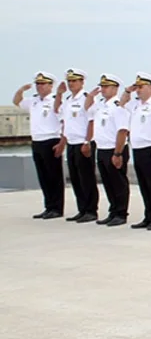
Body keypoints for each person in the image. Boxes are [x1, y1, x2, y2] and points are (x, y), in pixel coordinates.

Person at [122, 73, 151, 230]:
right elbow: (121, 104)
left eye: (141, 87)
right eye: (137, 87)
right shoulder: (135, 105)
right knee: (143, 185)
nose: (139, 90)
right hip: (137, 149)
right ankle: (148, 216)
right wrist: (128, 91)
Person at [13, 71, 64, 219]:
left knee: (54, 176)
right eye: (38, 84)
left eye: (43, 84)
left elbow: (64, 121)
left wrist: (62, 142)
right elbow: (17, 101)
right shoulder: (34, 101)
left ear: (50, 85)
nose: (39, 87)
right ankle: (48, 206)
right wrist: (21, 91)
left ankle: (57, 208)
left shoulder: (55, 101)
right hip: (37, 141)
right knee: (43, 176)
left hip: (51, 140)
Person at [87, 74, 131, 226]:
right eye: (102, 86)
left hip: (115, 149)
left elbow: (122, 131)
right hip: (102, 148)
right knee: (108, 182)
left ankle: (121, 213)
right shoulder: (101, 105)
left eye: (106, 87)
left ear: (115, 88)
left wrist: (117, 153)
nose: (103, 89)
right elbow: (87, 110)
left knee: (118, 183)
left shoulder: (118, 107)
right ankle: (113, 211)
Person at [56, 68, 99, 223]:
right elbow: (58, 112)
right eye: (69, 81)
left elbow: (91, 121)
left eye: (75, 81)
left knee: (86, 177)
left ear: (82, 82)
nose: (71, 84)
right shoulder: (68, 100)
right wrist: (59, 94)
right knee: (75, 178)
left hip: (83, 143)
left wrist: (87, 141)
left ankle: (91, 210)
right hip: (72, 143)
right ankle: (82, 209)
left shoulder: (86, 99)